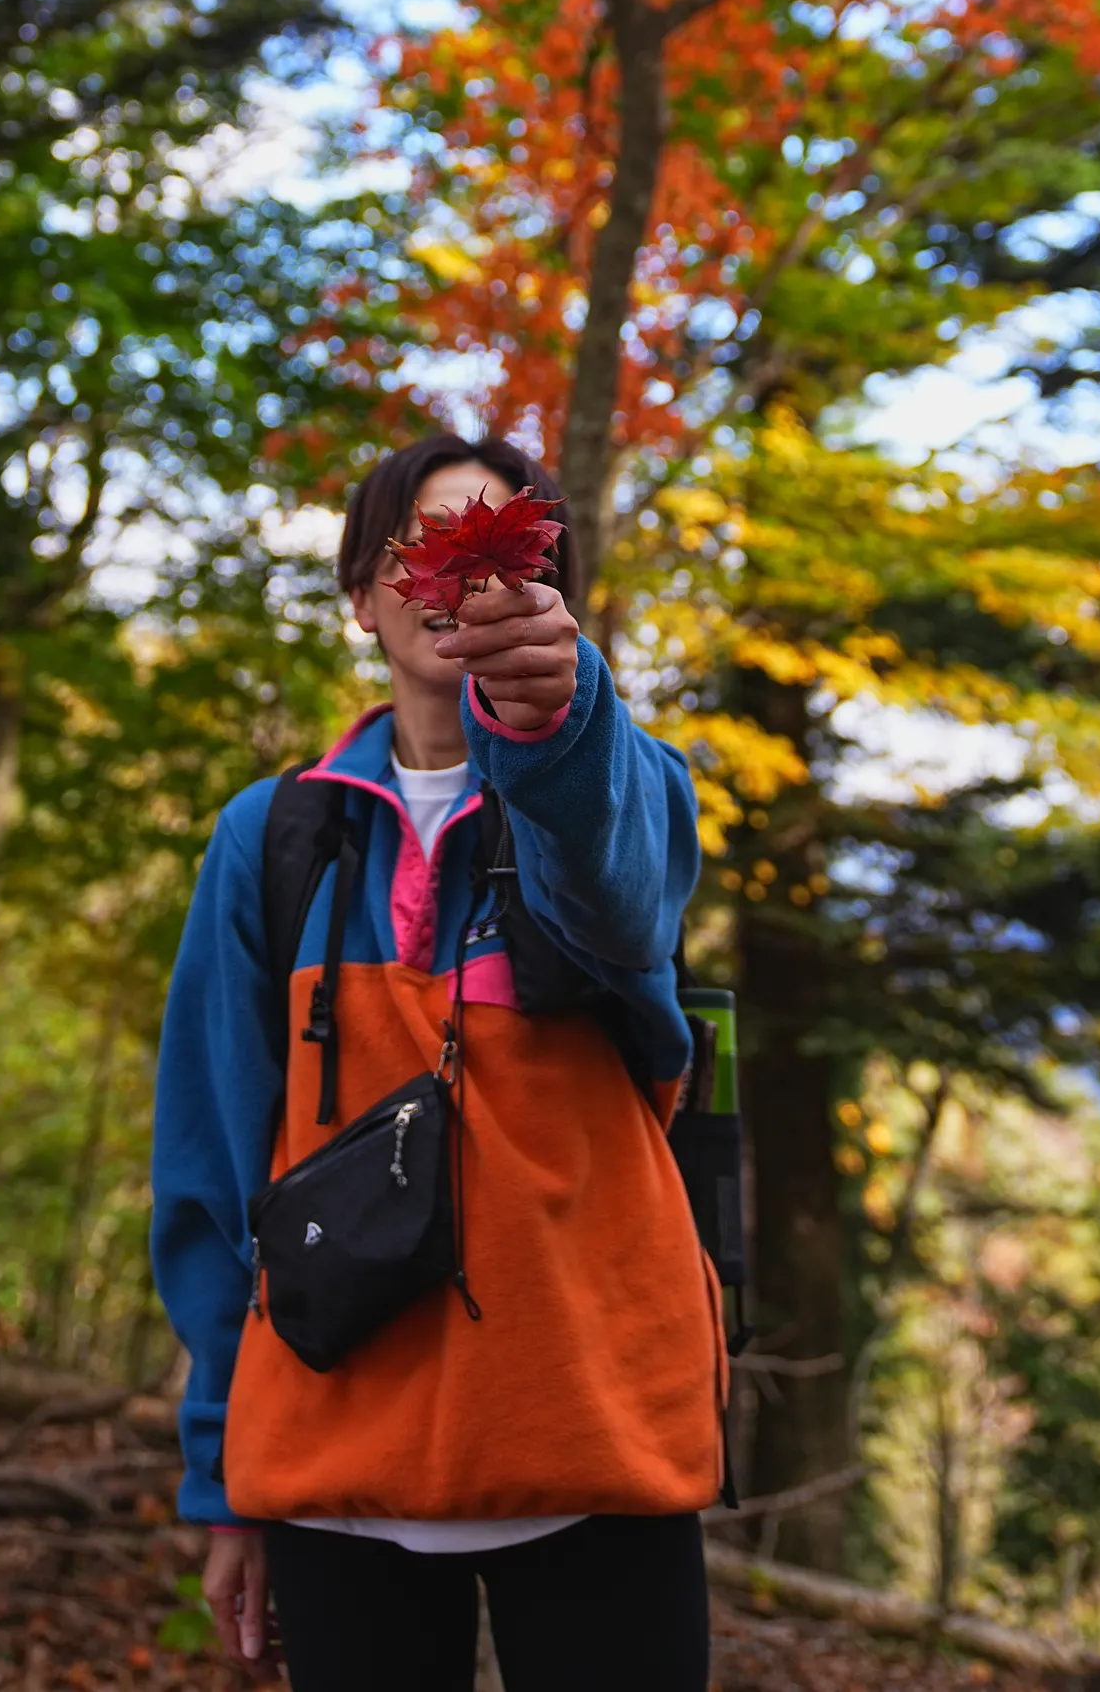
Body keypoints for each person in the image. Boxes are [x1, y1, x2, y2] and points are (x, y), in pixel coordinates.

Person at [150, 433, 723, 1692]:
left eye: (502, 546)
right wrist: (220, 1473)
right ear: (363, 596)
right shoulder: (274, 839)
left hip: (594, 1452)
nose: (459, 582)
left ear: (551, 591)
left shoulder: (628, 792)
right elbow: (212, 1159)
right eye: (422, 546)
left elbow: (625, 904)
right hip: (335, 1471)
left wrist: (554, 727)